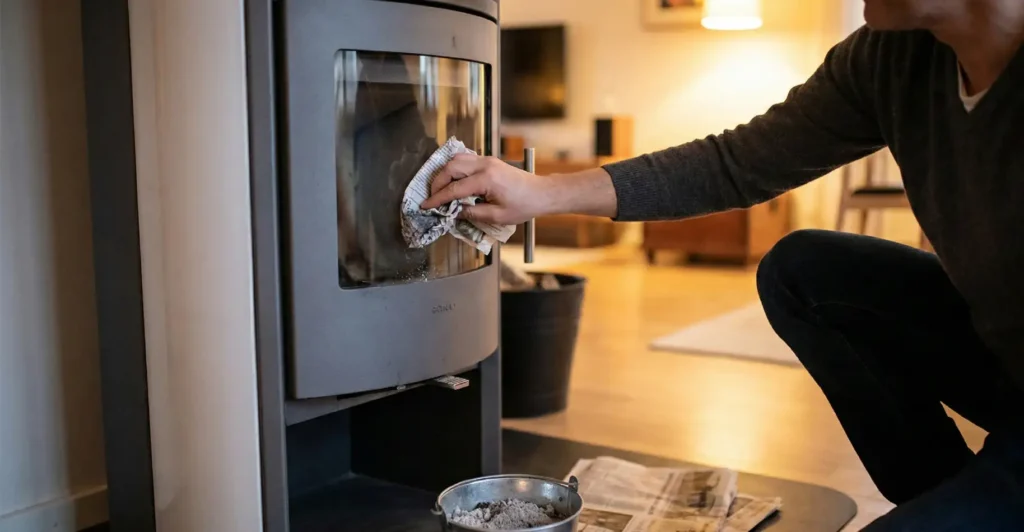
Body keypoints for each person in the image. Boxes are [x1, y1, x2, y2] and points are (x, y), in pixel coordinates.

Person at [421, 0, 1024, 529]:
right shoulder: (891, 58)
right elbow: (735, 162)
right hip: (1003, 357)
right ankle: (940, 497)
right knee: (803, 269)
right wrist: (542, 193)